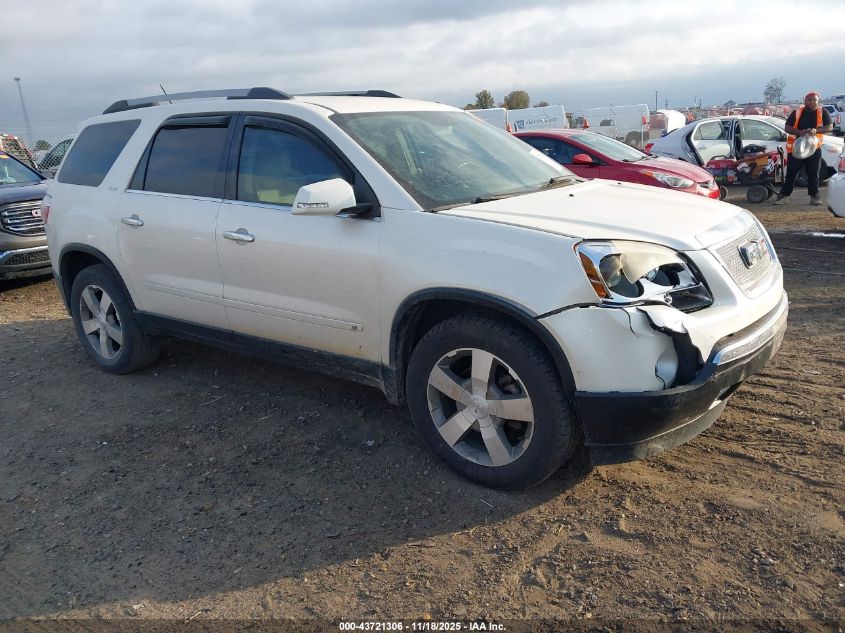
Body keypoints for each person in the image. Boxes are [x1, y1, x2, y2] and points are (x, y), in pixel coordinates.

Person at [773, 92, 833, 206]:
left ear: (818, 101)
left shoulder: (823, 112)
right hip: (797, 148)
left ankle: (814, 197)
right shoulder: (797, 112)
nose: (812, 102)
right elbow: (787, 127)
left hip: (813, 148)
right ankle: (784, 196)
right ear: (804, 101)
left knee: (814, 173)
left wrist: (816, 130)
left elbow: (829, 127)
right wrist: (798, 132)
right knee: (791, 173)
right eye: (809, 100)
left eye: (815, 100)